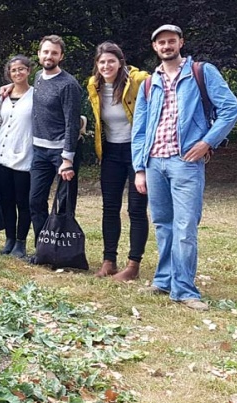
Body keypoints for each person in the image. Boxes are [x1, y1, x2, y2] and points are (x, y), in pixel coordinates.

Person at [132, 25, 237, 311]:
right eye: (161, 43)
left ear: (181, 42)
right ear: (155, 47)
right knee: (163, 224)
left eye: (171, 41)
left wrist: (207, 142)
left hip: (186, 162)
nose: (166, 46)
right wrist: (140, 168)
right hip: (154, 162)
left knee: (185, 227)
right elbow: (139, 130)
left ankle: (184, 290)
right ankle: (164, 280)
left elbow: (231, 109)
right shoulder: (148, 83)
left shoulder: (201, 72)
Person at [86, 42, 150, 281]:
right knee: (110, 207)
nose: (106, 66)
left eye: (111, 61)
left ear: (121, 62)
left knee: (136, 208)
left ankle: (133, 265)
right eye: (102, 62)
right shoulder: (94, 85)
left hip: (137, 151)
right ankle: (109, 261)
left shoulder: (139, 80)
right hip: (111, 152)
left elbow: (160, 82)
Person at [28, 35, 83, 250]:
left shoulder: (69, 84)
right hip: (39, 151)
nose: (49, 56)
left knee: (63, 204)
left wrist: (67, 159)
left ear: (61, 56)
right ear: (39, 54)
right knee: (35, 201)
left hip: (62, 153)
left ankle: (61, 250)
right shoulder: (38, 77)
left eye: (54, 53)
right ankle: (43, 248)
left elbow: (72, 123)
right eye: (46, 52)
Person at [0, 55, 35, 258]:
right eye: (13, 70)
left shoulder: (35, 95)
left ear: (28, 70)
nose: (17, 73)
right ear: (9, 73)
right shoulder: (4, 96)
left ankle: (20, 242)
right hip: (1, 155)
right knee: (6, 200)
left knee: (23, 202)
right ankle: (9, 238)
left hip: (24, 156)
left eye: (21, 69)